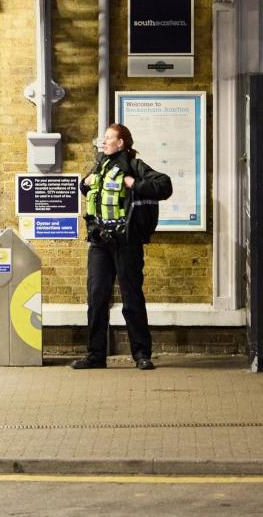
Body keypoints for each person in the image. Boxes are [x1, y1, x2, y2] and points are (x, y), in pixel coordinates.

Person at [72, 124, 172, 371]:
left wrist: (133, 183)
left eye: (109, 138)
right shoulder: (100, 166)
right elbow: (92, 192)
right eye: (104, 138)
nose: (104, 142)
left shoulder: (134, 166)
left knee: (132, 299)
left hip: (126, 243)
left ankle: (141, 355)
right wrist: (85, 183)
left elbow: (164, 185)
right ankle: (96, 356)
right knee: (96, 299)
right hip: (99, 243)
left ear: (122, 143)